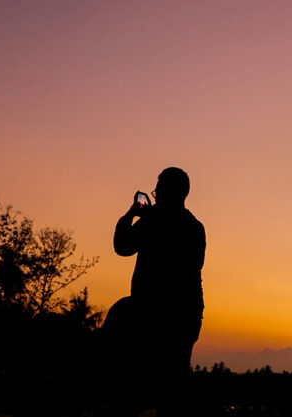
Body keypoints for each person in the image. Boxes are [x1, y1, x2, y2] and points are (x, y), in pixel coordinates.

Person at [108, 167, 206, 415]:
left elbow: (122, 246)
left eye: (159, 188)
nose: (156, 194)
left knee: (134, 384)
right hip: (186, 315)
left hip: (152, 316)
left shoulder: (153, 221)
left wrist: (132, 214)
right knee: (171, 388)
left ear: (168, 192)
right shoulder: (195, 227)